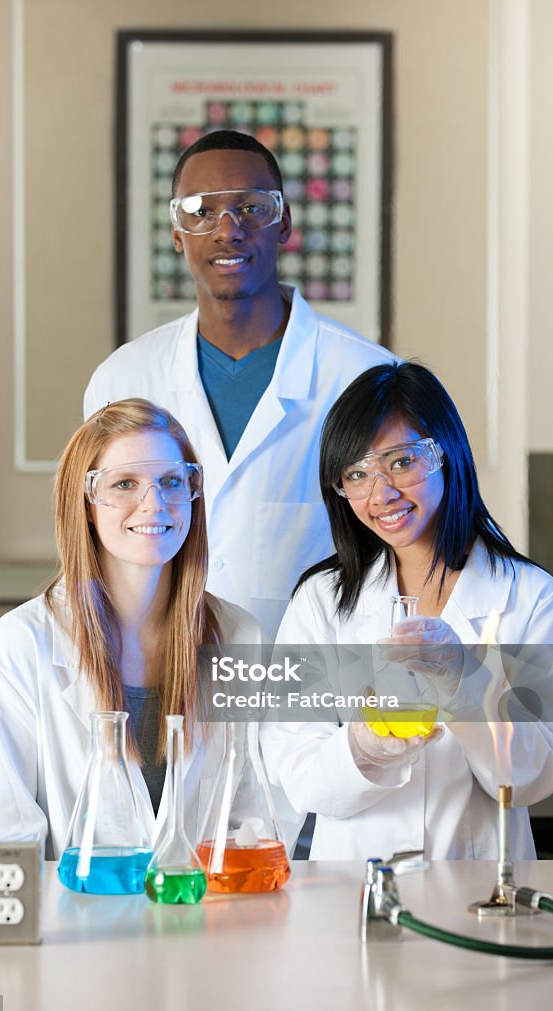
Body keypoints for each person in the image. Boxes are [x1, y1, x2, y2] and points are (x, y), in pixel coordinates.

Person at [84, 130, 394, 638]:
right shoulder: (122, 379)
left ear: (284, 224)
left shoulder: (363, 376)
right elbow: (95, 543)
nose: (227, 230)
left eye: (250, 208)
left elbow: (400, 549)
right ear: (177, 233)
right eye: (201, 211)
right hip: (165, 668)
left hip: (313, 682)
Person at [261, 362, 553, 861]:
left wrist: (466, 681)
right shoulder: (320, 600)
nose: (380, 494)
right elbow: (294, 773)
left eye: (402, 462)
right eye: (357, 474)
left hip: (478, 885)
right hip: (351, 892)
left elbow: (534, 778)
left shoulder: (531, 598)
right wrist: (363, 749)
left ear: (446, 453)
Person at [0, 399, 262, 859]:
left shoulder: (242, 636)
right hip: (75, 922)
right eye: (125, 484)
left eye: (171, 482)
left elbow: (256, 820)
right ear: (85, 503)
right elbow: (4, 847)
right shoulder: (16, 649)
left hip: (210, 920)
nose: (154, 503)